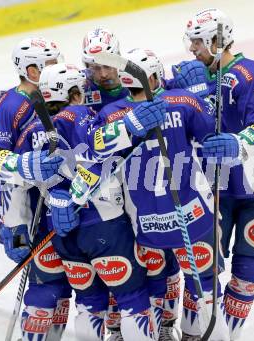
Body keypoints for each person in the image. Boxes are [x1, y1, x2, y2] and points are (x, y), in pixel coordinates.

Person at [72, 48, 233, 340]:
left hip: (146, 222)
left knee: (156, 282)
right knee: (207, 288)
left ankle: (162, 332)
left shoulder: (111, 114)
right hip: (192, 216)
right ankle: (195, 333)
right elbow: (211, 139)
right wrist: (203, 92)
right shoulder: (184, 101)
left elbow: (94, 151)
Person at [17, 62, 163, 341]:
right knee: (133, 301)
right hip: (103, 225)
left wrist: (58, 201)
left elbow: (20, 177)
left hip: (62, 234)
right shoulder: (80, 115)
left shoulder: (32, 130)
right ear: (74, 93)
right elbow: (98, 153)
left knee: (88, 305)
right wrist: (132, 125)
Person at [173, 8, 254, 340]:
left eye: (197, 42)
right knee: (203, 266)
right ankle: (195, 334)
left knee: (249, 271)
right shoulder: (191, 76)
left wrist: (237, 142)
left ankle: (227, 337)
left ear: (216, 40)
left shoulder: (250, 74)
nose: (192, 49)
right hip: (212, 183)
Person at [81, 27, 182, 340]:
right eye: (93, 67)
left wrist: (190, 81)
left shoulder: (134, 76)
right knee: (120, 260)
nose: (100, 73)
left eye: (105, 65)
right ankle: (120, 325)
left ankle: (165, 323)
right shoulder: (81, 89)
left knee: (160, 255)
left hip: (146, 180)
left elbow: (166, 88)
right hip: (108, 186)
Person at [0, 37, 70, 340]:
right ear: (30, 70)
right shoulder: (11, 104)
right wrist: (26, 166)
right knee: (46, 286)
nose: (57, 68)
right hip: (31, 207)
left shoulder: (60, 92)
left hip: (65, 203)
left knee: (66, 287)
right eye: (49, 63)